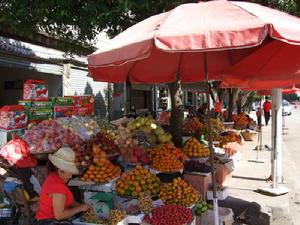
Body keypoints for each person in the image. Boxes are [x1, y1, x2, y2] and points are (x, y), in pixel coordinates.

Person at [35, 147, 89, 225]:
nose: (70, 177)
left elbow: (67, 200)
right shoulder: (58, 187)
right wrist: (80, 208)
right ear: (60, 171)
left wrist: (81, 206)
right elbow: (59, 216)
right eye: (69, 173)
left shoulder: (53, 176)